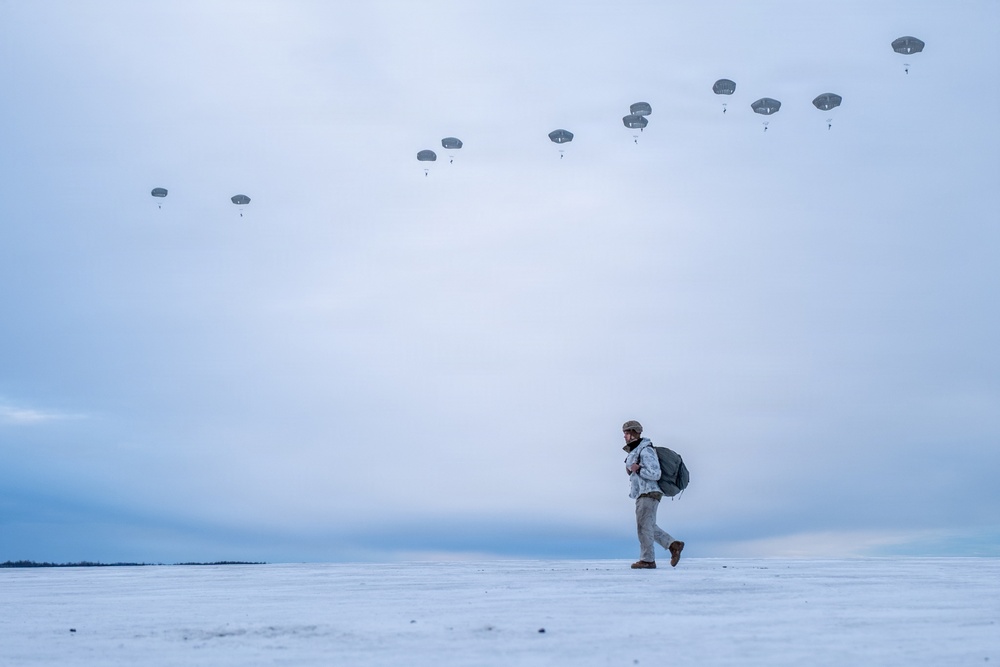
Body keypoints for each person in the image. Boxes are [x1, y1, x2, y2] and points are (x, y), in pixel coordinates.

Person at [622, 420, 684, 569]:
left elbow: (655, 474)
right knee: (648, 526)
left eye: (626, 433)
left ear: (633, 433)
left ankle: (648, 560)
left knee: (643, 527)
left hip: (649, 492)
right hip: (643, 492)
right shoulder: (637, 451)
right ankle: (673, 545)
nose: (624, 436)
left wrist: (638, 469)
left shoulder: (646, 450)